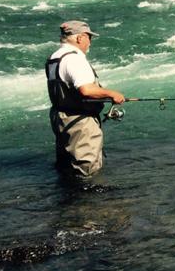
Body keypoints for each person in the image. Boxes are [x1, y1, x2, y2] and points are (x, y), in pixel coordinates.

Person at [45, 21, 125, 179]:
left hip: (61, 118)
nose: (90, 42)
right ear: (80, 38)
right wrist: (112, 94)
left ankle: (68, 201)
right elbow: (86, 89)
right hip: (79, 122)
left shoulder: (54, 57)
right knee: (86, 171)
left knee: (66, 167)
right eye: (89, 38)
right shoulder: (74, 59)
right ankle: (89, 204)